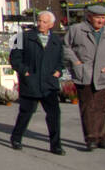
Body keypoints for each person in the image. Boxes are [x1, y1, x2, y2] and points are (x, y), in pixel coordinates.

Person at [64, 5, 105, 151]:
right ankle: (91, 139)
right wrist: (76, 62)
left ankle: (102, 138)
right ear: (89, 17)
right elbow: (65, 47)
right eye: (97, 18)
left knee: (102, 108)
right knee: (88, 108)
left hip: (102, 75)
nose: (100, 21)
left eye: (103, 18)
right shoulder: (77, 30)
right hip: (84, 75)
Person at [9, 10, 65, 155]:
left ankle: (55, 145)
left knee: (54, 114)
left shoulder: (56, 41)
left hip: (49, 83)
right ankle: (16, 138)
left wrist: (58, 71)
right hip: (31, 81)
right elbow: (14, 58)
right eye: (39, 21)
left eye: (44, 22)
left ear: (51, 24)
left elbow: (61, 60)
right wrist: (24, 72)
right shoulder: (23, 37)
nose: (40, 24)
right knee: (26, 112)